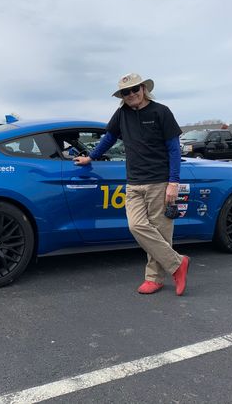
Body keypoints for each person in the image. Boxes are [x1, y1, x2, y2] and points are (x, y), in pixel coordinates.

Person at [74, 73, 190, 296]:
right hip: (134, 181)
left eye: (134, 89)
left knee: (161, 231)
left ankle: (154, 278)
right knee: (136, 225)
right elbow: (109, 138)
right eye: (125, 92)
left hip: (159, 180)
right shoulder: (122, 114)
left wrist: (174, 182)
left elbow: (174, 149)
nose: (131, 94)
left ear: (144, 89)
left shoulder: (161, 112)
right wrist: (91, 156)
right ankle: (178, 263)